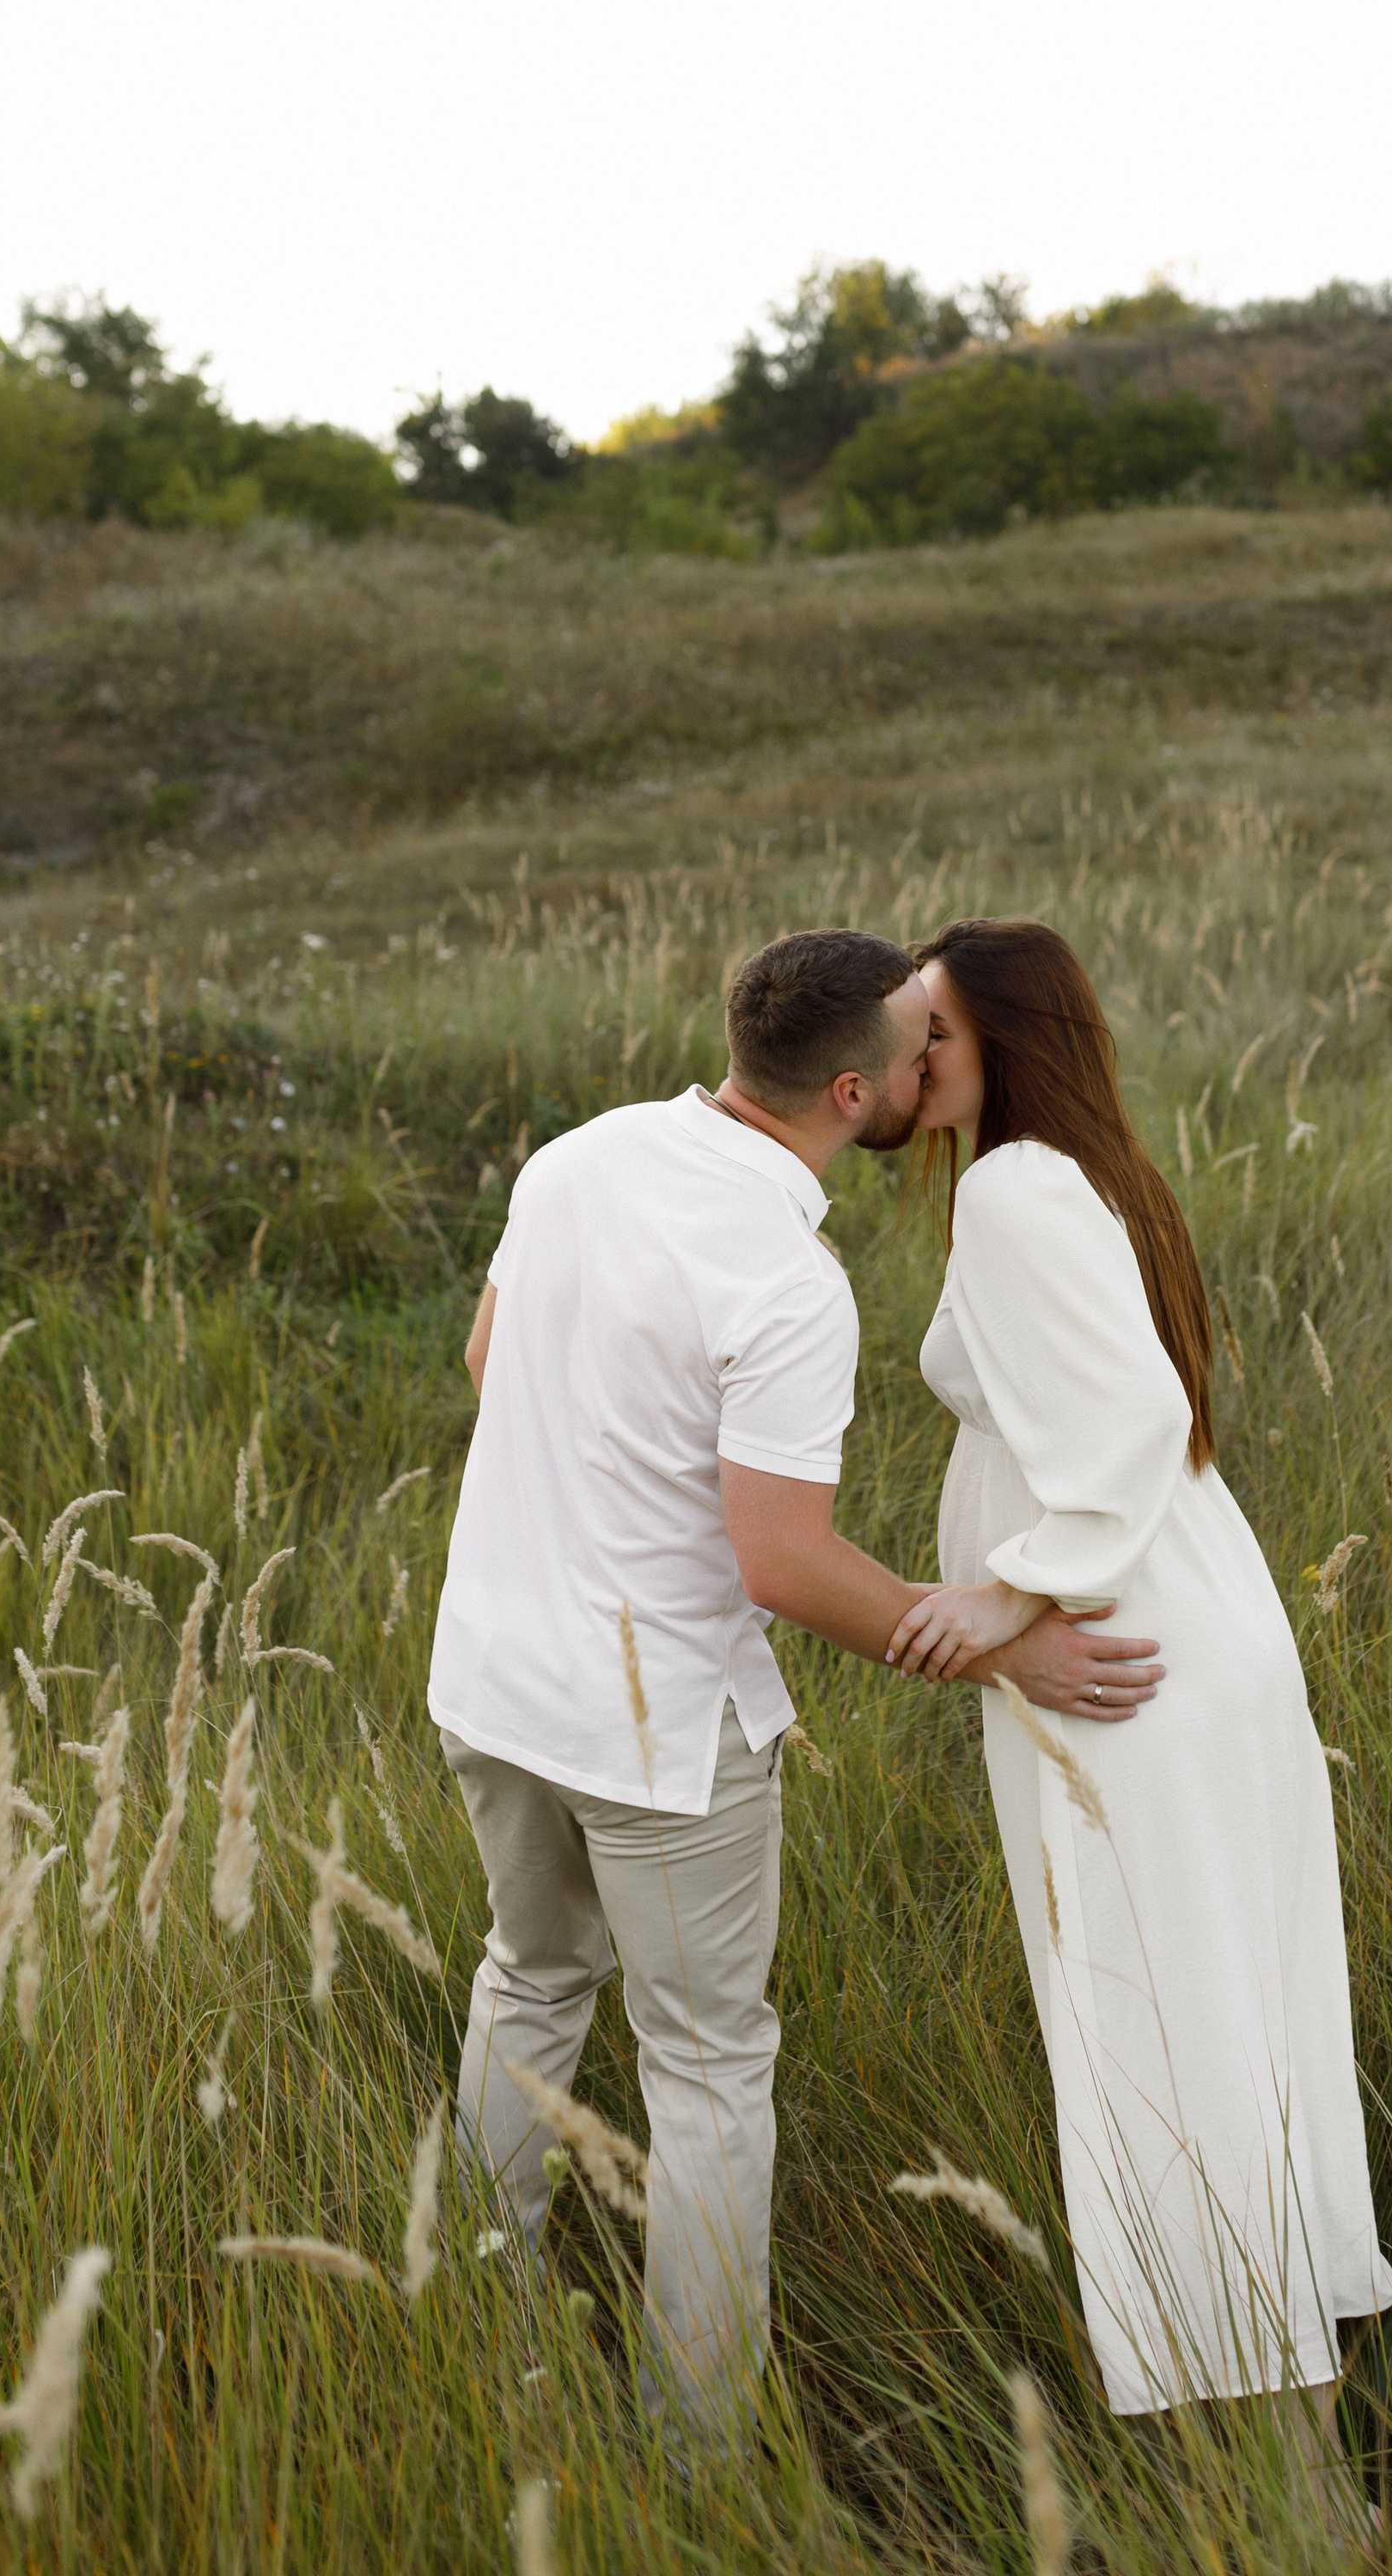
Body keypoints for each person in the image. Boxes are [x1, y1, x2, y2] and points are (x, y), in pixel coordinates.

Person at [426, 925, 1165, 2430]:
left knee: (530, 1978)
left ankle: (460, 2313)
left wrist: (602, 1487)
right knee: (705, 2075)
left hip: (493, 1680)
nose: (931, 1068)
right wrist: (1003, 1640)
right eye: (915, 1049)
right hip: (659, 1734)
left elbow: (490, 1361)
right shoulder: (787, 1279)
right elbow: (783, 1562)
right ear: (850, 1089)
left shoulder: (578, 1155)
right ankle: (696, 2448)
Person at [884, 916, 1392, 2496]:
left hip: (1128, 1664)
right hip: (1182, 1627)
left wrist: (1011, 1594)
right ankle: (1291, 2469)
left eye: (938, 1038)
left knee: (1166, 2050)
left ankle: (1280, 2494)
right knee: (1227, 2039)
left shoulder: (1016, 1187)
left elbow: (1135, 1414)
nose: (913, 1064)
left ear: (1009, 1048)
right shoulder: (1085, 1173)